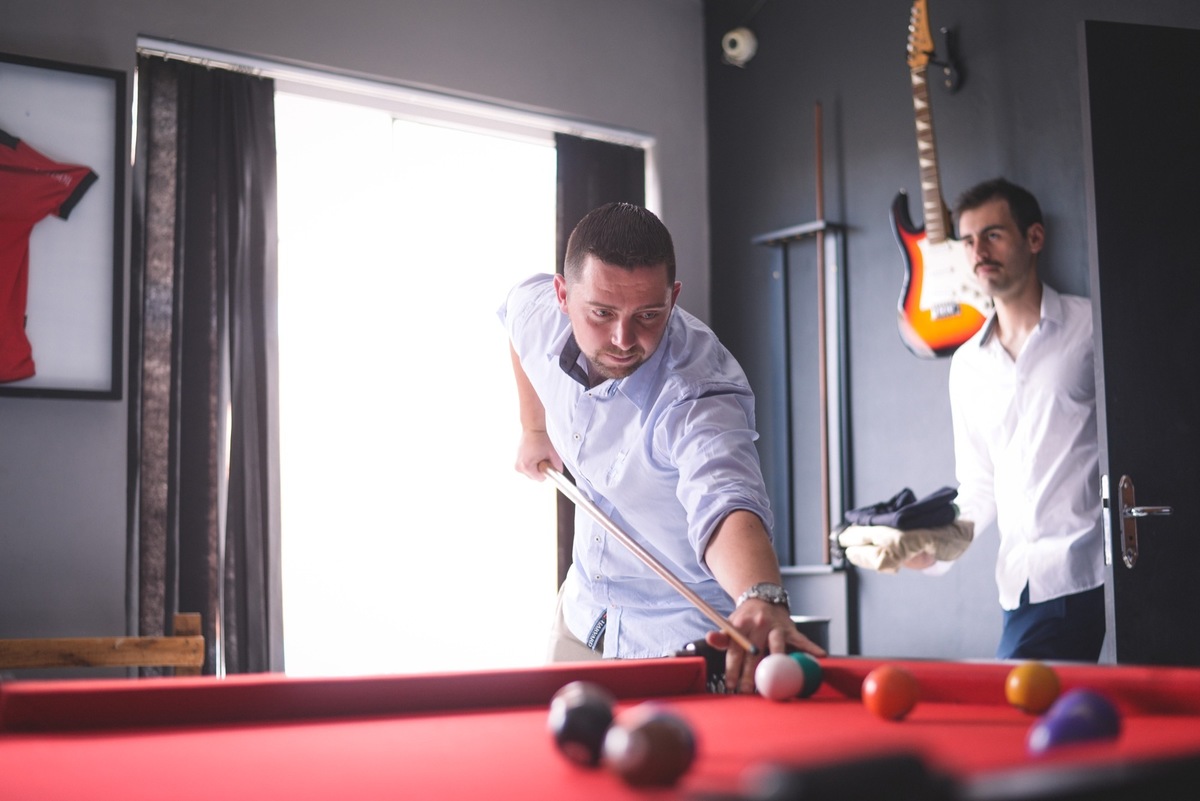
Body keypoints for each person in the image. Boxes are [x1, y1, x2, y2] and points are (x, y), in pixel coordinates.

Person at [499, 202, 824, 692]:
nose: (623, 338)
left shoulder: (697, 392)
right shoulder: (540, 313)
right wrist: (534, 428)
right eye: (602, 313)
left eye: (649, 314)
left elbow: (725, 497)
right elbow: (515, 317)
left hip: (683, 639)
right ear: (562, 296)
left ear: (673, 298)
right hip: (582, 617)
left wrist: (761, 595)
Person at [906, 178, 1106, 661]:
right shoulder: (966, 365)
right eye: (968, 240)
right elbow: (978, 486)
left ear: (1034, 238)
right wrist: (934, 551)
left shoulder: (1091, 328)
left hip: (1096, 575)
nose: (978, 252)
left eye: (993, 235)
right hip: (1022, 588)